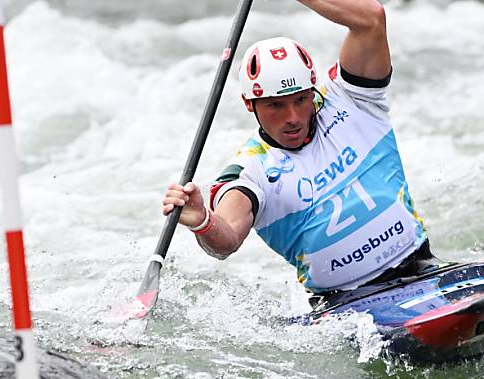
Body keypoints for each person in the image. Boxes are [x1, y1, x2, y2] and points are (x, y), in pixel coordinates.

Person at [161, 0, 440, 306]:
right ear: (249, 104)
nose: (293, 117)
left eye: (300, 100)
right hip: (345, 306)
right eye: (276, 105)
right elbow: (226, 240)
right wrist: (202, 220)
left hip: (421, 269)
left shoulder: (352, 100)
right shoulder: (251, 170)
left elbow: (372, 19)